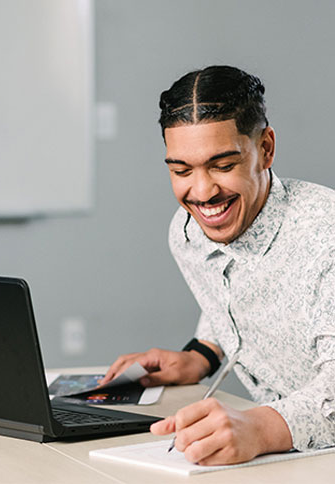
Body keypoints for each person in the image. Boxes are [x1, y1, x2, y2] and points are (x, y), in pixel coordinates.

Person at [99, 65, 335, 466]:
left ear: (265, 149)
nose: (203, 192)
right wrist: (200, 356)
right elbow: (232, 299)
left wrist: (260, 428)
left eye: (223, 166)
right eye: (181, 170)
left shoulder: (326, 239)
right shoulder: (187, 233)